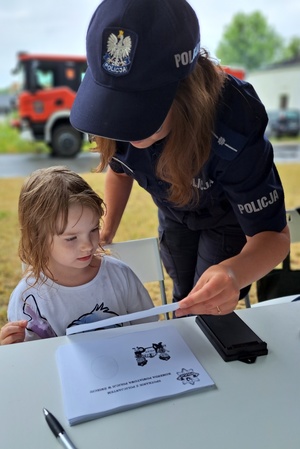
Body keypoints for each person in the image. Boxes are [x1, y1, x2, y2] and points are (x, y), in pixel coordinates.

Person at [70, 0, 290, 318]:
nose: (124, 127)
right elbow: (121, 170)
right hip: (173, 212)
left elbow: (273, 236)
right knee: (182, 292)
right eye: (115, 106)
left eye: (140, 109)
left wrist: (233, 273)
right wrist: (106, 230)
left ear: (188, 91)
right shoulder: (109, 115)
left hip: (226, 217)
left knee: (207, 300)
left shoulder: (234, 122)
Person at [0, 166, 157, 345]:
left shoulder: (120, 274)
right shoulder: (28, 298)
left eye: (93, 229)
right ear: (38, 238)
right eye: (71, 238)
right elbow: (34, 357)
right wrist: (11, 348)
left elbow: (149, 326)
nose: (88, 245)